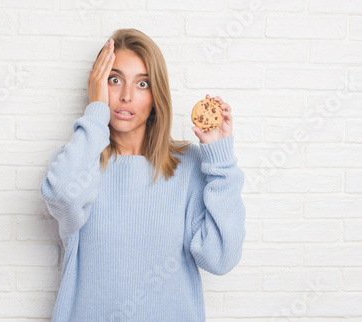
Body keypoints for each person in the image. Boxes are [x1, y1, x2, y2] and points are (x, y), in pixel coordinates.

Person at [40, 28, 245, 321]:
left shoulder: (190, 166)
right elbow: (61, 196)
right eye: (114, 80)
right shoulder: (79, 161)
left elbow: (220, 258)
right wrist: (96, 110)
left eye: (142, 83)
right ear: (97, 85)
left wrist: (221, 163)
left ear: (155, 95)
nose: (125, 96)